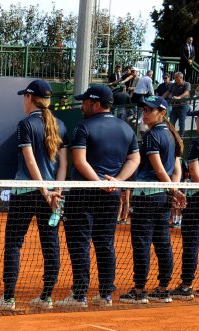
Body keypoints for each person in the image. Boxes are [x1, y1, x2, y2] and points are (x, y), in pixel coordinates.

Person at [56, 85, 140, 308]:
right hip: (111, 195)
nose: (81, 105)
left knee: (79, 244)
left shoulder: (83, 126)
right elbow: (134, 159)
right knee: (105, 244)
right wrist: (117, 181)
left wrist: (100, 183)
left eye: (84, 102)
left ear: (95, 104)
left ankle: (79, 295)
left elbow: (80, 161)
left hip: (84, 194)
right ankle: (105, 295)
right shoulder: (126, 128)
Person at [0, 79, 66, 311]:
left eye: (24, 96)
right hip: (52, 194)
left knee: (14, 244)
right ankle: (46, 297)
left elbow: (30, 160)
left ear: (30, 98)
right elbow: (63, 165)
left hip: (26, 192)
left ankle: (8, 298)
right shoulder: (61, 125)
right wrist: (56, 191)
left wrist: (44, 189)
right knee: (51, 244)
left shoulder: (25, 124)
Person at [121, 96, 184, 305]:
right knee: (162, 243)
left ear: (162, 113)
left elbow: (158, 169)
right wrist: (173, 190)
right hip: (162, 198)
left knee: (142, 245)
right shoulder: (173, 137)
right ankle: (163, 289)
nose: (145, 112)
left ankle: (139, 290)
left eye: (150, 110)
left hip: (147, 198)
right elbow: (176, 170)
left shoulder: (151, 136)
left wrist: (174, 191)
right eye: (144, 109)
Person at [174, 104, 199, 300]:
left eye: (198, 118)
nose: (196, 121)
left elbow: (195, 173)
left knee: (191, 244)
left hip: (198, 199)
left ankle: (186, 286)